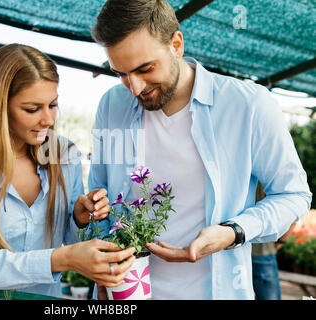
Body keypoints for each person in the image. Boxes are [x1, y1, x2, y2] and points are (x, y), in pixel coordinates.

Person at [88, 0, 312, 299]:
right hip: (125, 295)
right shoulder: (111, 104)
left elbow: (294, 195)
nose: (135, 87)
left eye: (145, 68)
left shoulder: (249, 105)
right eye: (121, 73)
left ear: (176, 44)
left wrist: (233, 232)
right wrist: (103, 268)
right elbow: (100, 192)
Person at [0, 44, 136, 300]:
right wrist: (60, 258)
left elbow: (74, 241)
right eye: (32, 109)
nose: (48, 120)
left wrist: (79, 217)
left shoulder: (63, 154)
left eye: (52, 105)